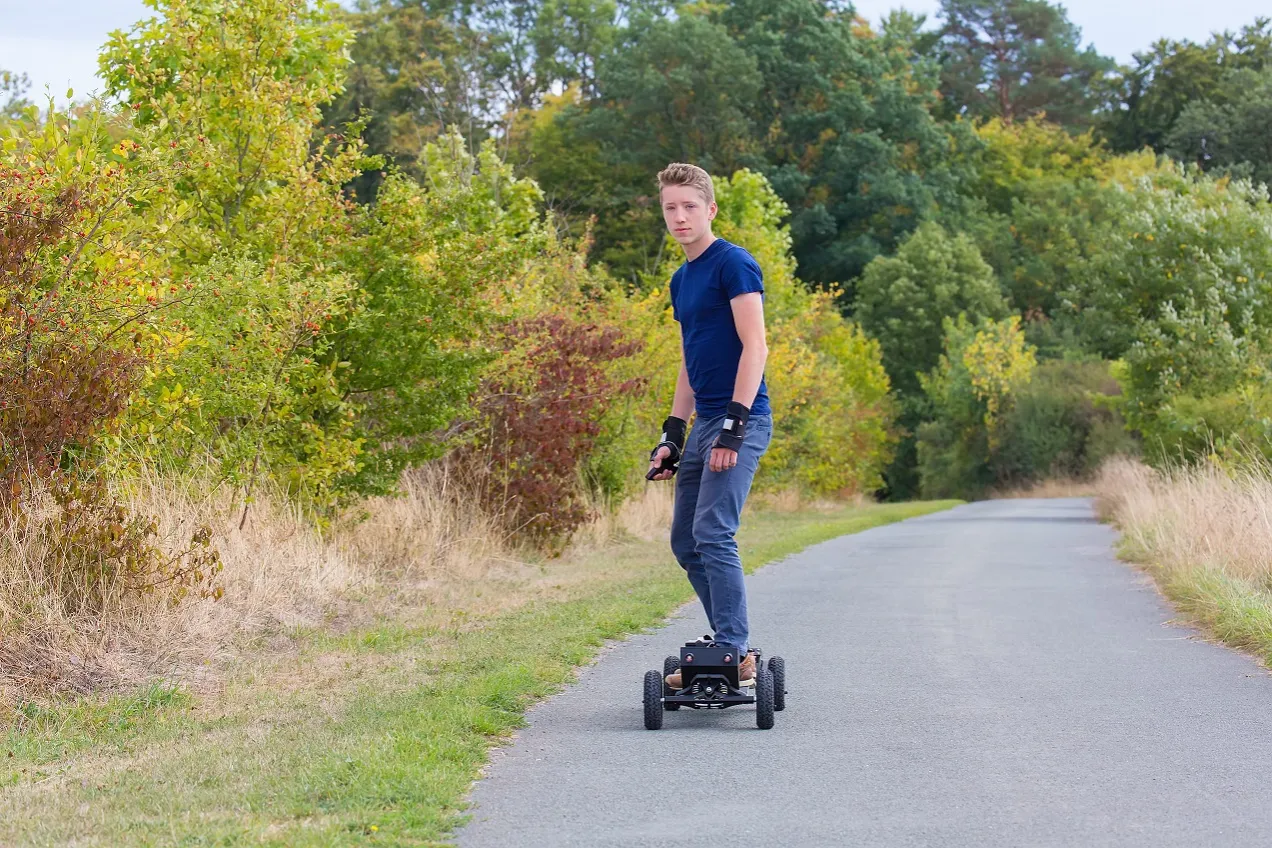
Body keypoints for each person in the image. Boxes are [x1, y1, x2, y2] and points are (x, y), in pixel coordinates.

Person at [647, 162, 772, 690]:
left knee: (714, 531)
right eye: (670, 208)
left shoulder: (733, 265)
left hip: (740, 418)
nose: (679, 217)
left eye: (689, 206)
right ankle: (731, 642)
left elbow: (755, 346)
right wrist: (673, 434)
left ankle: (733, 648)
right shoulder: (682, 278)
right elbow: (689, 358)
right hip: (702, 424)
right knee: (685, 540)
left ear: (710, 209)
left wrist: (734, 428)